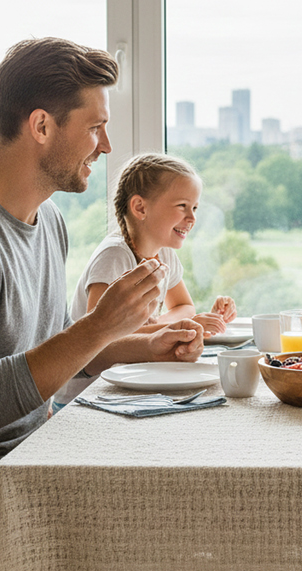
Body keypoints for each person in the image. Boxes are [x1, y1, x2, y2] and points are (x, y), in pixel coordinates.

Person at [0, 38, 206, 571]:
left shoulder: (48, 223)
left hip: (21, 453)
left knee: (178, 476)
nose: (106, 145)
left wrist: (142, 344)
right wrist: (101, 326)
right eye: (94, 128)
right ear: (41, 126)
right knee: (146, 537)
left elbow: (53, 350)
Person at [51, 153, 238, 412]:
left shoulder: (165, 254)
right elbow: (99, 336)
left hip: (127, 384)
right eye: (182, 206)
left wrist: (169, 326)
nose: (192, 218)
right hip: (85, 397)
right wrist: (174, 329)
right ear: (140, 208)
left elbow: (184, 306)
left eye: (194, 208)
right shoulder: (114, 256)